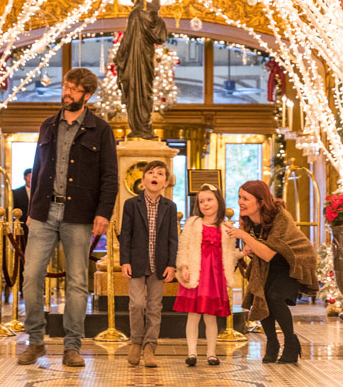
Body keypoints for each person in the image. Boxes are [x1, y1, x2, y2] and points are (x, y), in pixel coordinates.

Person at [18, 68, 118, 368]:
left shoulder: (100, 130)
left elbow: (110, 177)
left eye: (74, 89)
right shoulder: (48, 126)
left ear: (87, 95)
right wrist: (33, 211)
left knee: (77, 282)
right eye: (66, 86)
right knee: (31, 276)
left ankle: (72, 346)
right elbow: (38, 168)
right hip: (43, 214)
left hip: (79, 216)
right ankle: (35, 341)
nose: (67, 93)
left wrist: (103, 213)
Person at [225, 180, 317, 364]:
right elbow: (256, 251)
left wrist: (244, 237)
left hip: (293, 262)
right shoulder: (247, 220)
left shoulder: (280, 217)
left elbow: (268, 253)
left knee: (275, 297)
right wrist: (248, 246)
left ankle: (291, 343)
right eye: (239, 197)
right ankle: (272, 344)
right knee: (262, 297)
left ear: (260, 202)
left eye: (245, 198)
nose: (240, 202)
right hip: (269, 266)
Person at [119, 161, 178, 368]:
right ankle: (136, 341)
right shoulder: (131, 204)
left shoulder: (170, 207)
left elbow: (173, 238)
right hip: (136, 262)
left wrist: (172, 264)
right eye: (151, 173)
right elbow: (125, 235)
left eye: (160, 173)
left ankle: (150, 347)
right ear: (143, 180)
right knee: (136, 304)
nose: (155, 176)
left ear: (166, 182)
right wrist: (124, 260)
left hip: (160, 263)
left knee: (154, 307)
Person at [173, 184, 241, 367]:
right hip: (196, 273)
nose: (205, 204)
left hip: (214, 277)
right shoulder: (193, 223)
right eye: (201, 201)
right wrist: (184, 267)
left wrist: (242, 253)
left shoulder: (226, 227)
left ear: (218, 201)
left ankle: (212, 353)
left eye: (209, 200)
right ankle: (192, 352)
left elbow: (229, 254)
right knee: (193, 315)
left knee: (211, 317)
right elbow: (184, 248)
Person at [113, 0, 168, 139]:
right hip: (146, 59)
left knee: (135, 92)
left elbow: (127, 39)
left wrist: (119, 57)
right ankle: (142, 128)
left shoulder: (135, 13)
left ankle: (141, 128)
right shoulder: (153, 7)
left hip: (133, 61)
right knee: (145, 91)